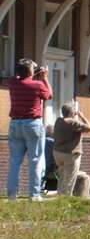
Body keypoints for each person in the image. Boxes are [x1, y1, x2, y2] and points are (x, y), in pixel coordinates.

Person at [7, 58, 52, 201]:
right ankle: (34, 194)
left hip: (15, 124)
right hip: (32, 124)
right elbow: (49, 95)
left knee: (15, 160)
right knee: (35, 159)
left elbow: (20, 76)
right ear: (30, 71)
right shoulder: (37, 85)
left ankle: (12, 194)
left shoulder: (12, 83)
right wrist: (45, 78)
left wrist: (28, 67)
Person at [53, 103, 90, 197]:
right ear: (73, 113)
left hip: (58, 153)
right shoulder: (73, 122)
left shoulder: (58, 121)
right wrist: (82, 116)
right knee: (70, 179)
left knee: (62, 176)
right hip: (70, 154)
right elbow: (89, 127)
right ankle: (65, 201)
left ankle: (59, 196)